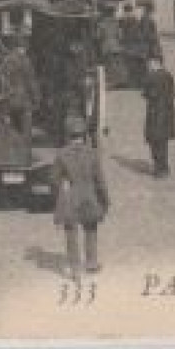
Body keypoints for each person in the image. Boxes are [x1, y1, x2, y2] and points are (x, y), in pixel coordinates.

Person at [52, 115, 109, 280]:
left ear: (68, 135)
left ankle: (75, 268)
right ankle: (91, 263)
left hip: (70, 197)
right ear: (84, 135)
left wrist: (59, 194)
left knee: (71, 233)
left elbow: (54, 180)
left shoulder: (61, 155)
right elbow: (100, 180)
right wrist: (105, 200)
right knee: (91, 229)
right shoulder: (92, 153)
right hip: (89, 196)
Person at [140, 52, 175, 178]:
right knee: (163, 142)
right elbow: (173, 93)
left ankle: (159, 168)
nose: (148, 66)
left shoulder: (151, 77)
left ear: (156, 63)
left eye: (149, 63)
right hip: (167, 113)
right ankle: (164, 167)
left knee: (154, 142)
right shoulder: (168, 75)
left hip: (155, 114)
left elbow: (146, 94)